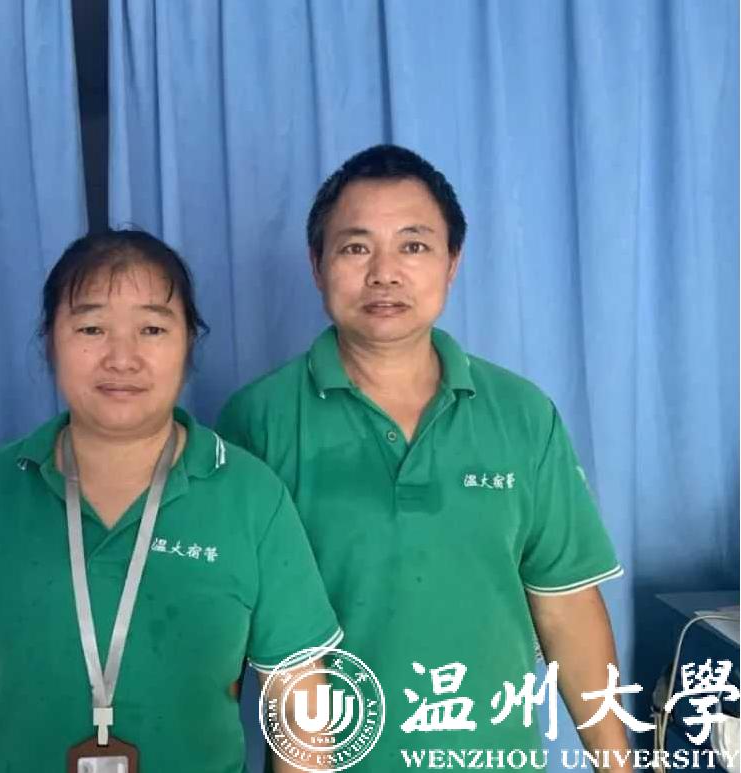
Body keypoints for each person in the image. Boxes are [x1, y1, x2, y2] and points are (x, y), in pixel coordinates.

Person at [217, 145, 635, 769]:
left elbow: (566, 609)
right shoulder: (258, 421)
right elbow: (222, 631)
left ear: (452, 262)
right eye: (356, 248)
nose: (384, 273)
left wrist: (617, 764)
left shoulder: (521, 414)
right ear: (316, 264)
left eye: (413, 246)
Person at [0, 230, 342, 773]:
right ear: (49, 341)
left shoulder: (252, 497)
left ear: (189, 343)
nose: (122, 358)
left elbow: (300, 710)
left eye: (152, 329)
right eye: (91, 329)